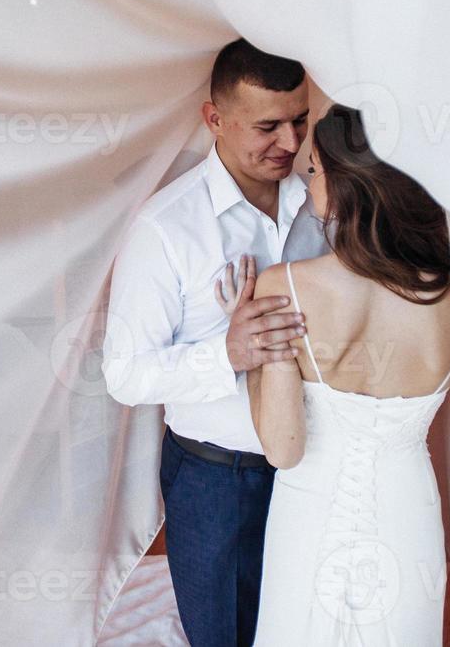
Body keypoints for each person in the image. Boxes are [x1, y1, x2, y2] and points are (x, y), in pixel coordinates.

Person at [102, 38, 329, 647]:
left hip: (319, 469)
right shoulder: (165, 230)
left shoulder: (324, 203)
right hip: (217, 481)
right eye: (268, 126)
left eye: (300, 121)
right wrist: (226, 355)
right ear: (215, 120)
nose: (289, 143)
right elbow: (124, 374)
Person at [247, 103, 450, 645]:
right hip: (406, 507)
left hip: (308, 504)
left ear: (347, 186)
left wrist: (250, 340)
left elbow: (283, 448)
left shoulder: (285, 286)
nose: (309, 182)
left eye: (316, 170)